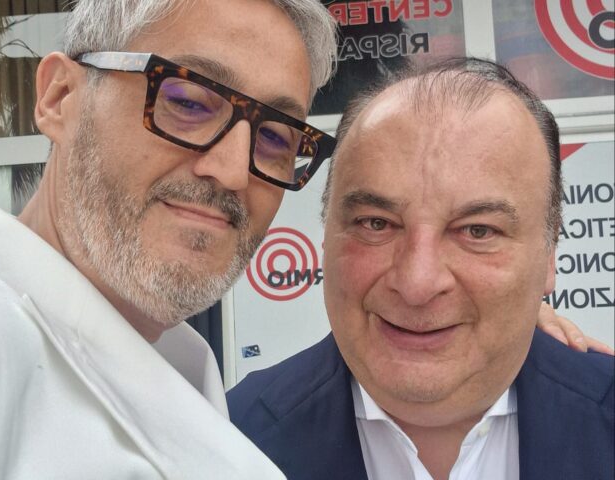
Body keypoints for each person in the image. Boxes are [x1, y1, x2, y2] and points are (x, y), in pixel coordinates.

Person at [0, 0, 337, 478]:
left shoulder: (185, 368)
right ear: (60, 98)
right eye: (188, 101)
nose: (232, 172)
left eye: (275, 137)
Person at [227, 57, 615, 480]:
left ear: (549, 253)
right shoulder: (227, 439)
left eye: (478, 231)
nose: (417, 283)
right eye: (376, 224)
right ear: (326, 237)